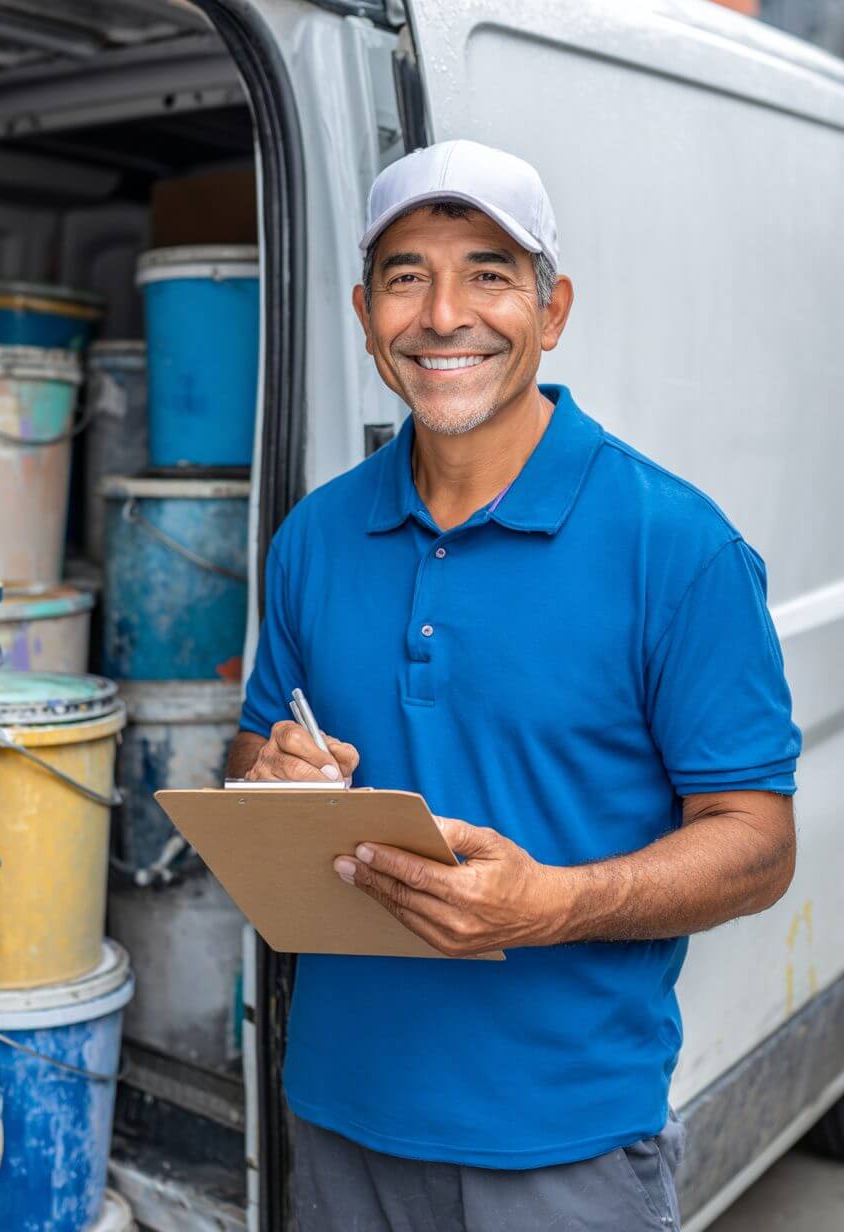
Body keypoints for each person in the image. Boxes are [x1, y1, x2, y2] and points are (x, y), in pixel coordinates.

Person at [225, 139, 801, 1231]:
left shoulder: (671, 544)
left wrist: (556, 904)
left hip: (565, 1146)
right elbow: (253, 760)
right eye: (407, 275)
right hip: (340, 1122)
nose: (445, 313)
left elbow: (758, 840)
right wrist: (273, 773)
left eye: (488, 270)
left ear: (553, 306)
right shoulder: (314, 537)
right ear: (363, 310)